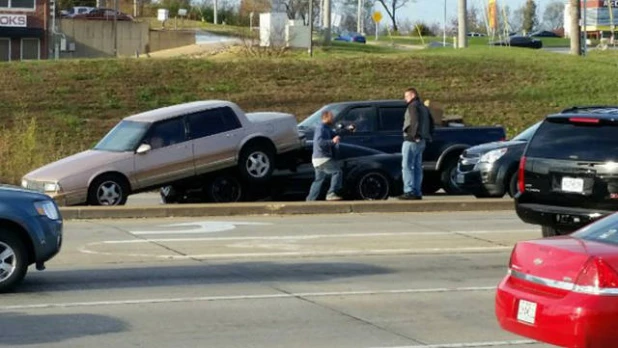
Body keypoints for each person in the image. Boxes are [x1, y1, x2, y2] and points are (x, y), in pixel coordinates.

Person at [399, 87, 434, 200]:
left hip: (411, 140)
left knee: (407, 166)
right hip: (422, 141)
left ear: (413, 95)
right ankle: (417, 191)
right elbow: (431, 122)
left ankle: (409, 191)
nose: (405, 99)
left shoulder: (412, 106)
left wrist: (414, 135)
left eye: (406, 96)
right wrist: (428, 135)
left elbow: (415, 120)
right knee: (418, 167)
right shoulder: (423, 106)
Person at [306, 111, 343, 201]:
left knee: (318, 180)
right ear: (325, 117)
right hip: (322, 157)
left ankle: (310, 200)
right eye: (331, 117)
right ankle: (331, 193)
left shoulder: (326, 128)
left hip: (317, 159)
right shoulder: (321, 128)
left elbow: (335, 133)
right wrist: (332, 141)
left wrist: (347, 129)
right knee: (337, 172)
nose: (333, 118)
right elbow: (319, 143)